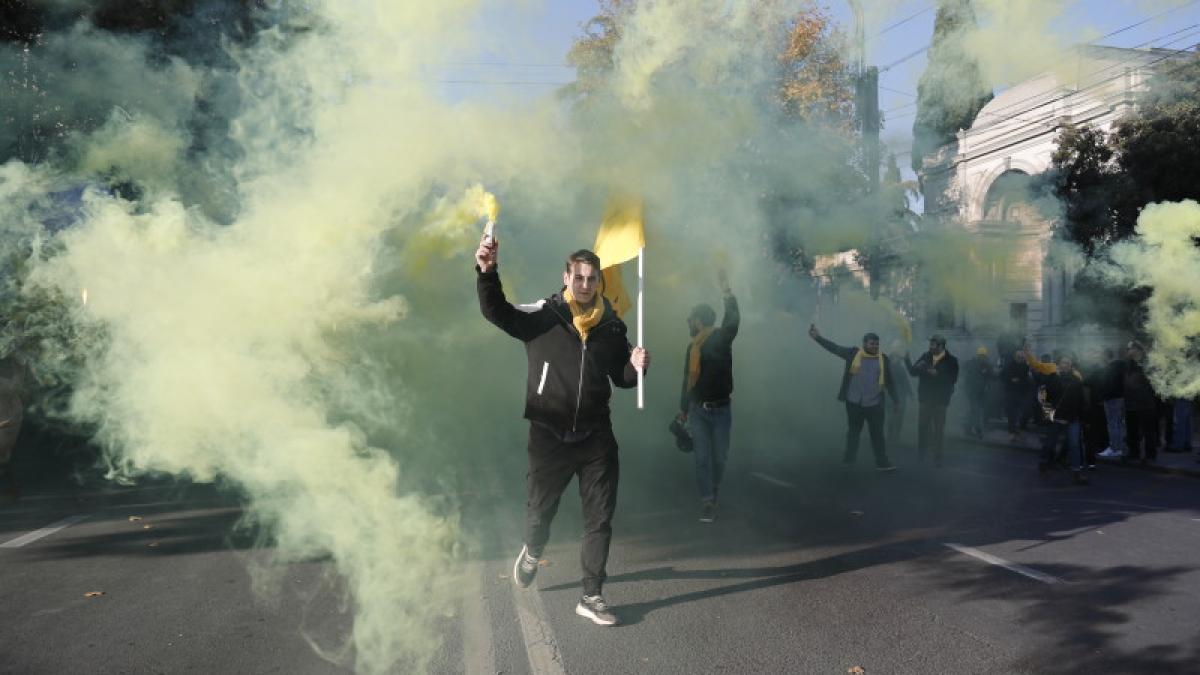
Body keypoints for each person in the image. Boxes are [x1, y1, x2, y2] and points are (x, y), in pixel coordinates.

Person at [476, 236, 650, 627]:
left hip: (596, 436)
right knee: (540, 513)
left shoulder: (612, 327)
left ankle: (592, 595)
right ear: (566, 278)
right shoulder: (544, 315)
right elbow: (496, 311)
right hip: (549, 435)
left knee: (600, 518)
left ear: (600, 283)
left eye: (592, 279)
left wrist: (636, 366)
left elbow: (620, 378)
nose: (586, 285)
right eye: (580, 277)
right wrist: (487, 271)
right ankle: (533, 551)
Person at [677, 270, 739, 524]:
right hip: (698, 411)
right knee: (702, 458)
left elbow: (733, 320)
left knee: (719, 456)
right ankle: (707, 501)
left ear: (700, 321)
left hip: (722, 409)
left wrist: (726, 291)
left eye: (691, 319)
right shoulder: (692, 348)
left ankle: (714, 487)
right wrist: (683, 409)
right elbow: (686, 380)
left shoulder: (720, 339)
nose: (689, 322)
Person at [808, 325, 898, 472]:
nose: (875, 346)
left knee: (877, 435)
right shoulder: (852, 353)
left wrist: (896, 400)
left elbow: (890, 382)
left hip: (874, 404)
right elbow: (834, 348)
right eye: (872, 343)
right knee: (853, 432)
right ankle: (849, 459)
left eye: (877, 344)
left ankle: (882, 462)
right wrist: (817, 337)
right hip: (854, 402)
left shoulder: (883, 359)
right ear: (864, 344)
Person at [1025, 350, 1089, 485]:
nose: (1065, 365)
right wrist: (1049, 415)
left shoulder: (1076, 380)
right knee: (1050, 444)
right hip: (1056, 417)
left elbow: (1081, 401)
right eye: (1063, 362)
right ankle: (1043, 464)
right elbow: (1042, 396)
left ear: (1071, 365)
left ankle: (1076, 473)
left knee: (1074, 445)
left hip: (1072, 418)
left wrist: (1083, 418)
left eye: (1068, 363)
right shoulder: (1052, 377)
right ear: (1058, 364)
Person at [904, 335, 960, 466]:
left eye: (933, 345)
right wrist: (907, 360)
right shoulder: (926, 356)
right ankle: (921, 454)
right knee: (922, 427)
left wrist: (938, 375)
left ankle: (937, 456)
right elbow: (913, 372)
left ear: (941, 346)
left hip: (940, 401)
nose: (930, 347)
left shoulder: (951, 361)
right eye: (930, 344)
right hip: (925, 400)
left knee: (939, 430)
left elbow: (953, 380)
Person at [1118, 341, 1158, 466]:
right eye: (1127, 348)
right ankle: (1133, 453)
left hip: (1146, 403)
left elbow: (1155, 383)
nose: (1127, 351)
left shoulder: (1147, 364)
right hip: (1130, 403)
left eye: (1129, 348)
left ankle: (1150, 455)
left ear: (1137, 350)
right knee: (1132, 431)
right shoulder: (1127, 365)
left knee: (1148, 431)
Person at [1096, 348, 1126, 459]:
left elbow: (1108, 385)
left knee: (1112, 424)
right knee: (1119, 423)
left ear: (1105, 356)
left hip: (1111, 399)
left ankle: (1114, 448)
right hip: (1119, 398)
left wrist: (1103, 396)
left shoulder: (1110, 368)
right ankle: (1120, 447)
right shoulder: (1119, 367)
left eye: (1101, 356)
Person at [962, 346, 993, 439]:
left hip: (978, 391)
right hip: (974, 391)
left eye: (983, 356)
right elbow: (992, 376)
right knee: (976, 410)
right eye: (981, 356)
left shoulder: (983, 364)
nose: (982, 358)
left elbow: (991, 376)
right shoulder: (983, 364)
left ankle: (968, 428)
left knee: (974, 410)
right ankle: (978, 430)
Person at [886, 340, 913, 442]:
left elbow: (905, 380)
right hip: (890, 394)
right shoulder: (887, 361)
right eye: (896, 347)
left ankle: (896, 436)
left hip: (901, 395)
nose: (898, 349)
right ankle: (890, 436)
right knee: (891, 416)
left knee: (900, 416)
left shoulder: (900, 364)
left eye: (899, 347)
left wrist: (910, 394)